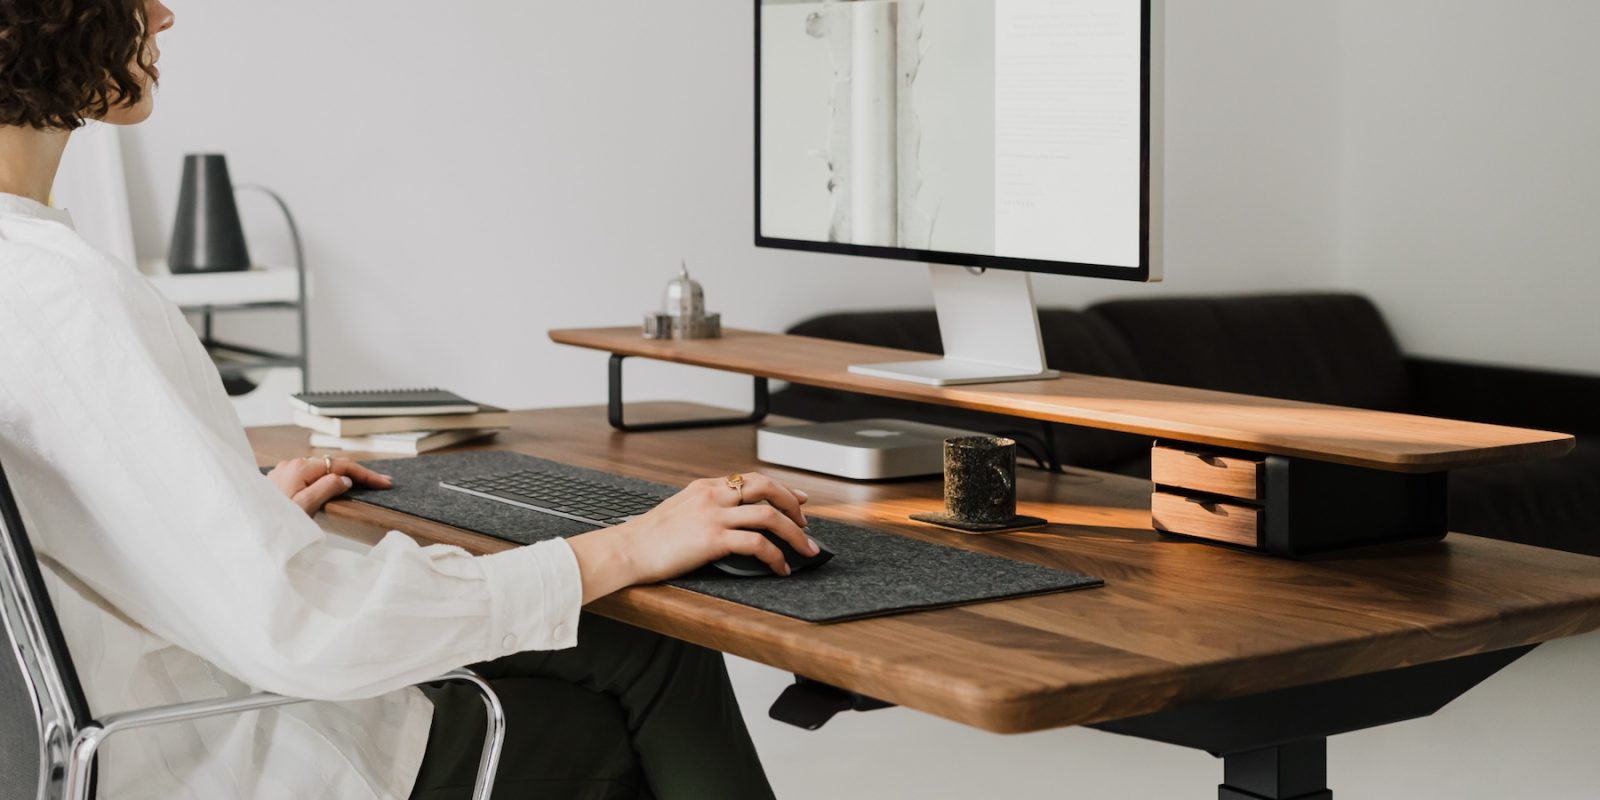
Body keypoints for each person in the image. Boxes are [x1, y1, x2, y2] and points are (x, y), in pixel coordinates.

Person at [0, 2, 819, 797]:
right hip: (229, 752)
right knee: (628, 692)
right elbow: (302, 628)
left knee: (635, 645)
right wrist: (631, 545)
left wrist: (233, 521)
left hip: (150, 715)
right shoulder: (67, 296)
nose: (163, 15)